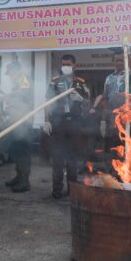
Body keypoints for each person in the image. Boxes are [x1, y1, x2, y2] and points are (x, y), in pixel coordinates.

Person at [90, 48, 131, 171]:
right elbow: (106, 101)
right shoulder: (109, 78)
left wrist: (129, 55)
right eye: (117, 60)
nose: (119, 63)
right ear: (113, 61)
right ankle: (116, 182)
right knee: (114, 154)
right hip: (114, 124)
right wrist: (103, 121)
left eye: (122, 60)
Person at [44, 54, 91, 198]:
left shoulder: (81, 83)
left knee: (72, 159)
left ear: (74, 65)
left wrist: (81, 99)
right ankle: (57, 190)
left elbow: (89, 104)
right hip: (58, 123)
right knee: (58, 159)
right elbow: (48, 102)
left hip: (75, 124)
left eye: (68, 64)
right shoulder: (55, 81)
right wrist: (46, 120)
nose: (66, 67)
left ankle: (72, 190)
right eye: (63, 64)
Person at [3, 61, 33, 193]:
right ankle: (18, 176)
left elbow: (23, 94)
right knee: (16, 150)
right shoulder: (16, 81)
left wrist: (6, 96)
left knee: (23, 152)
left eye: (10, 73)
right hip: (16, 119)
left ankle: (24, 181)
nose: (9, 76)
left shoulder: (23, 78)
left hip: (24, 121)